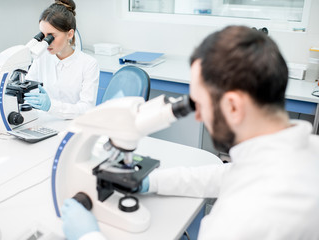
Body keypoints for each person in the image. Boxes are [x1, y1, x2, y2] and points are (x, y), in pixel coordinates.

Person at [60, 26, 319, 240]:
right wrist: (153, 182)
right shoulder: (306, 149)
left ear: (232, 106)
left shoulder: (243, 218)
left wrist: (88, 237)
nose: (197, 116)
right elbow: (230, 174)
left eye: (199, 103)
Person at [24, 0, 99, 119]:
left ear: (69, 34)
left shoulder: (88, 64)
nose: (46, 42)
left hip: (73, 127)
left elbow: (87, 109)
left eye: (51, 36)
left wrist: (51, 107)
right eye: (43, 35)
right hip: (44, 123)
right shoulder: (41, 57)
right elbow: (28, 88)